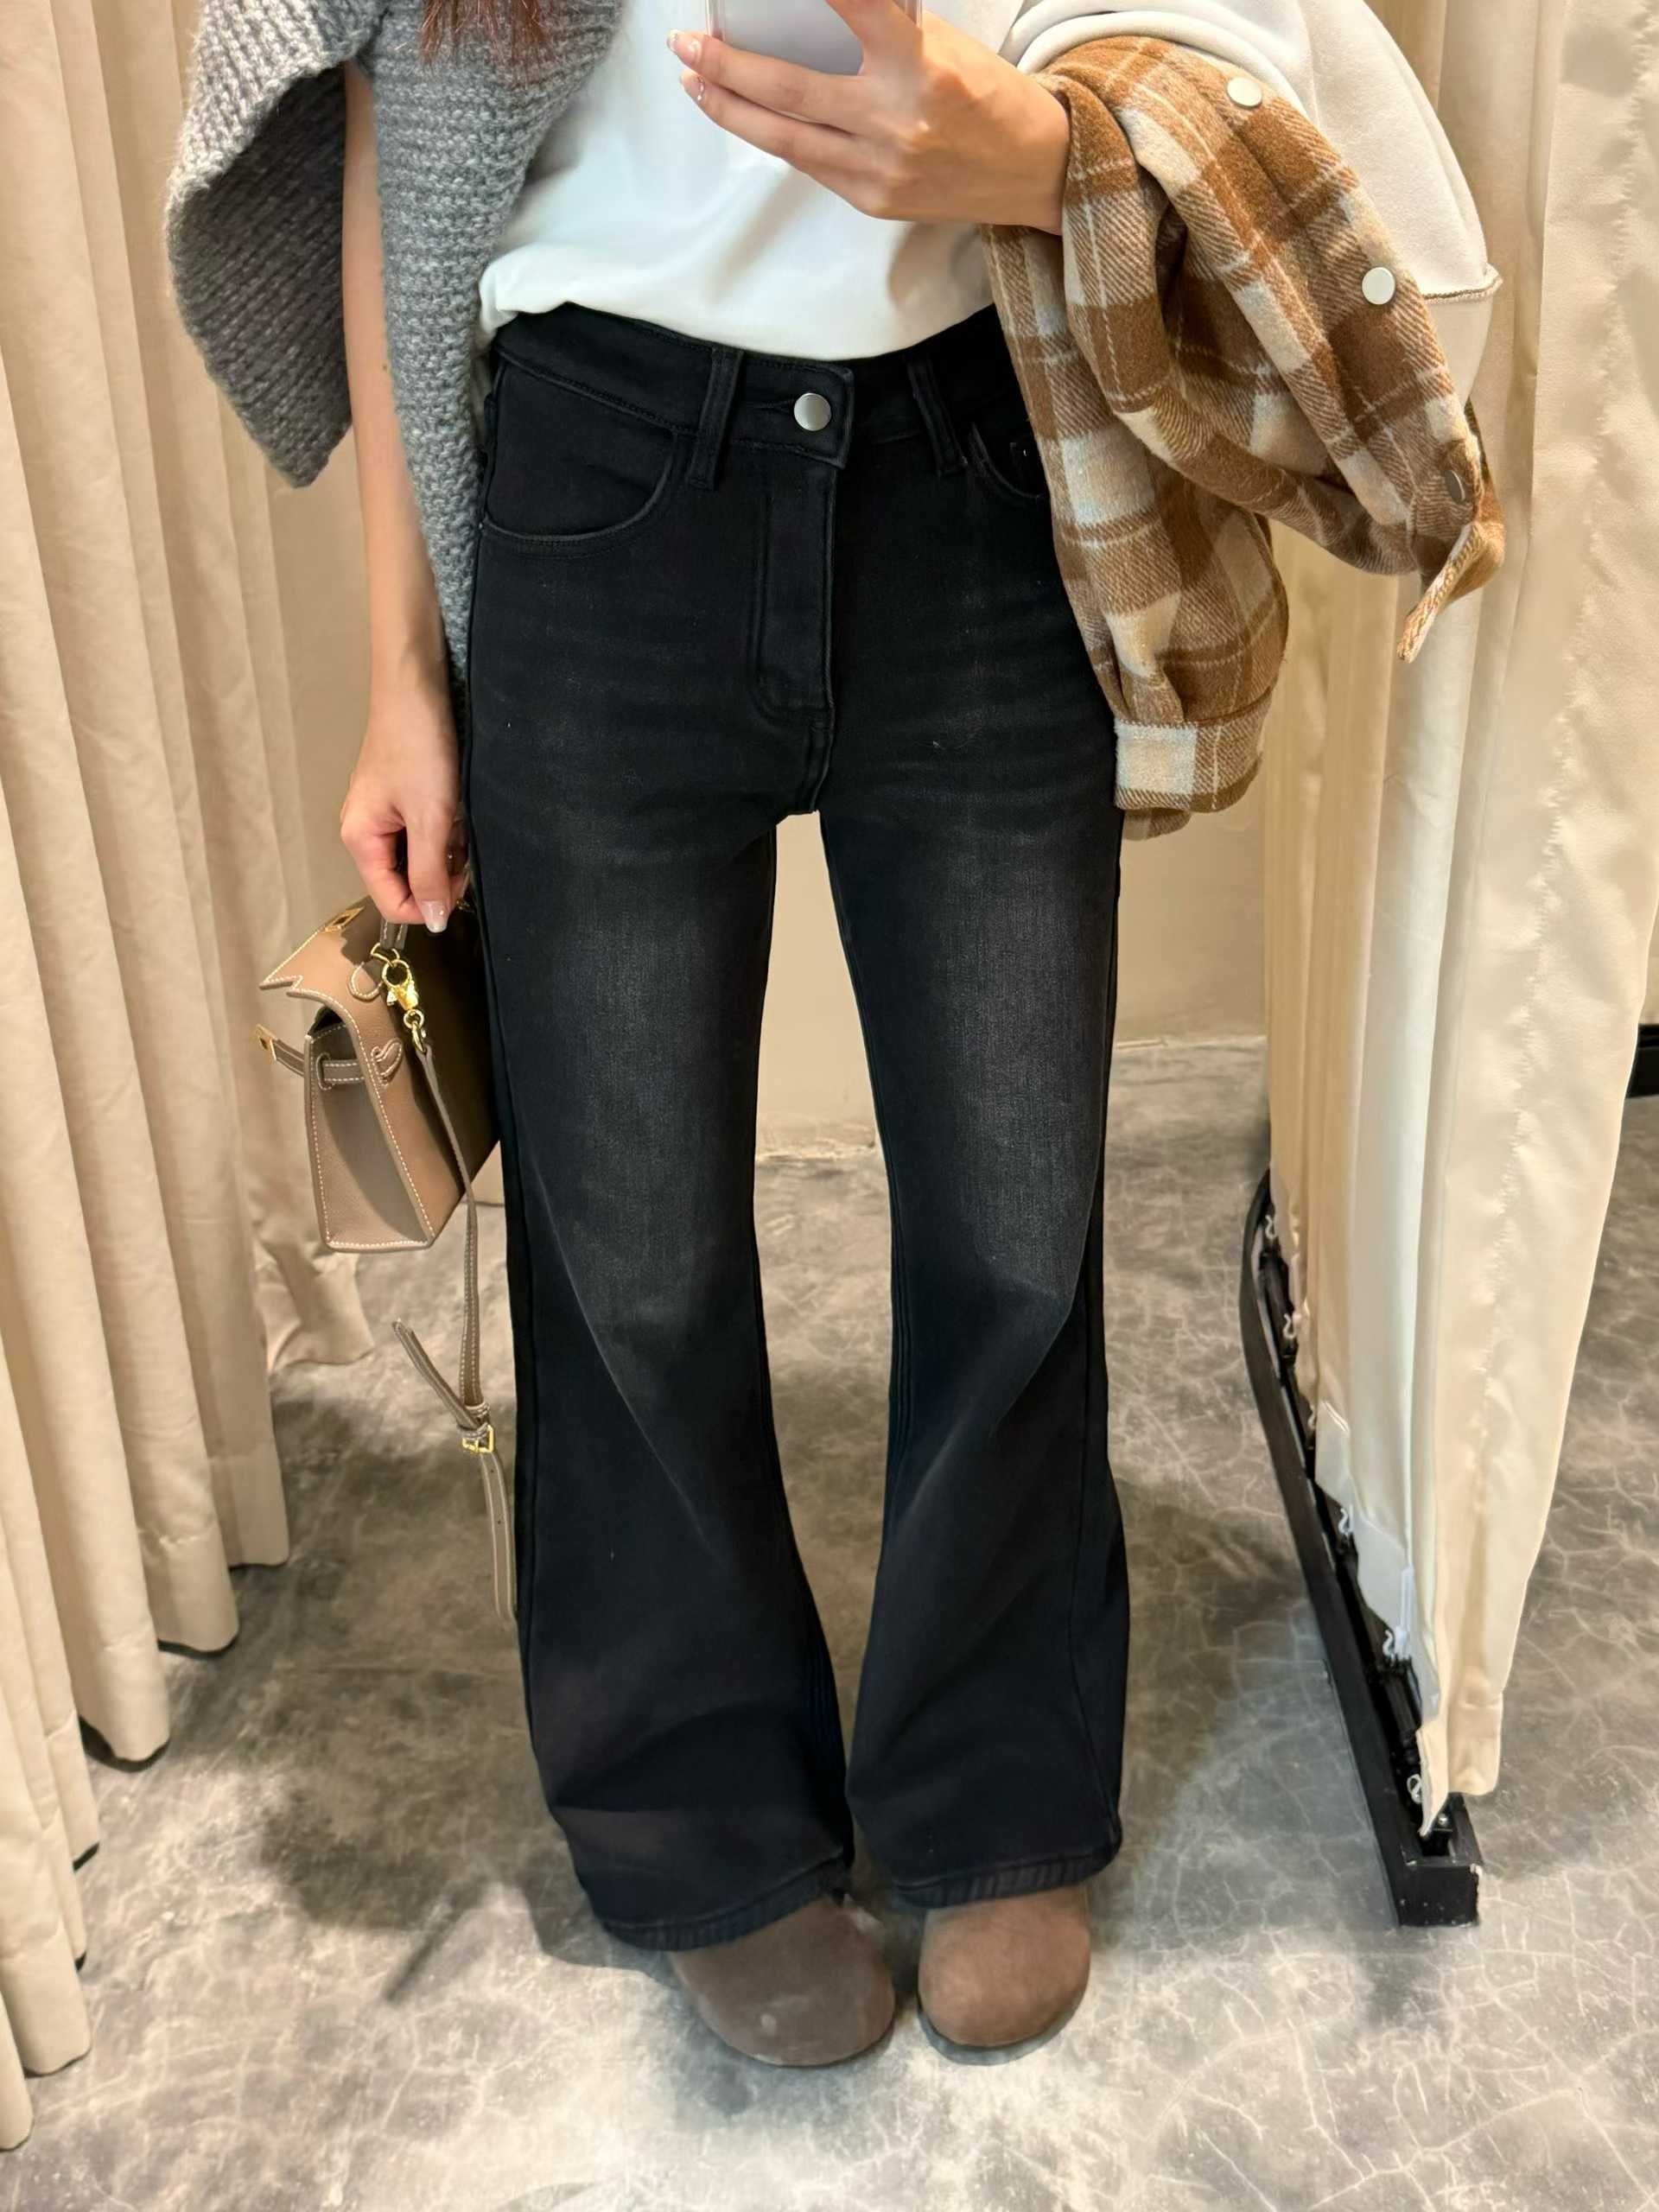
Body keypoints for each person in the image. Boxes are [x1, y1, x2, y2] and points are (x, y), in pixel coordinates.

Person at [166, 0, 1501, 2069]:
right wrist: (403, 674)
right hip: (599, 474)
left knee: (1013, 1207)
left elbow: (1195, 45)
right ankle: (704, 1820)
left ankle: (996, 1789)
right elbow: (390, 143)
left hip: (976, 452)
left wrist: (1037, 153)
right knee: (628, 1249)